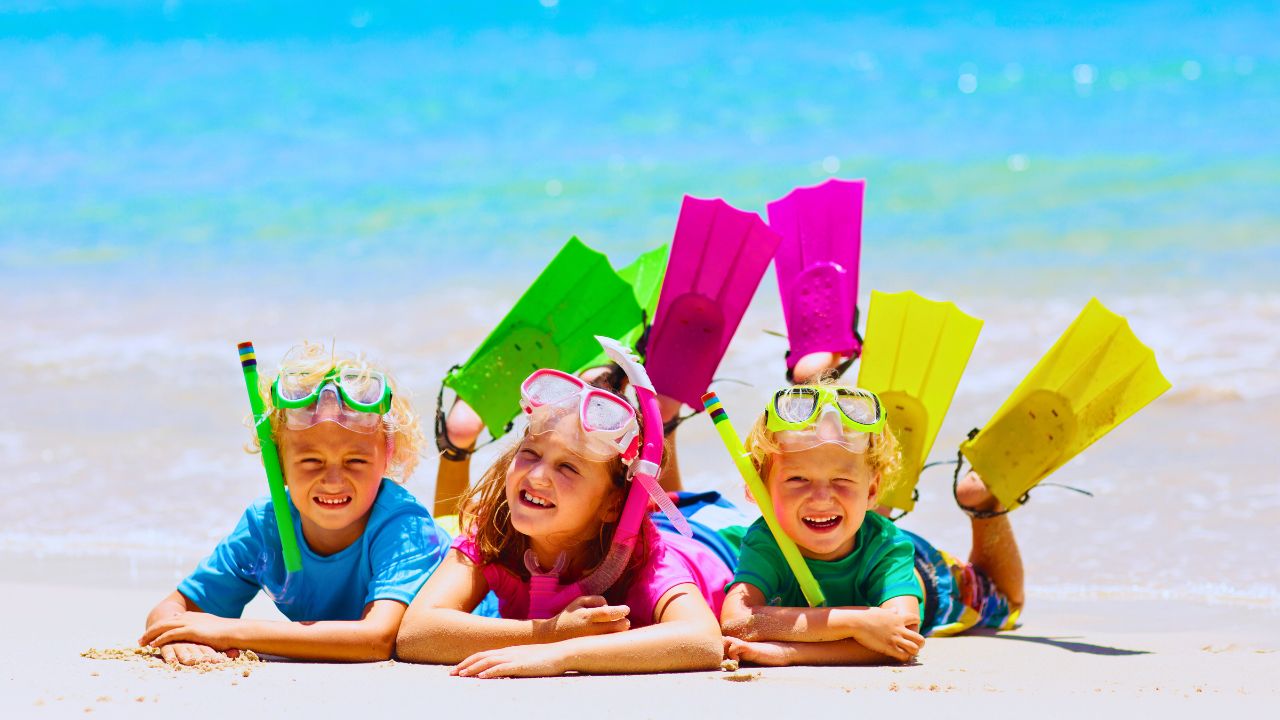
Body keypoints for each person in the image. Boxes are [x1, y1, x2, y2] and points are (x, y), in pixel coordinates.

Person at [397, 362, 729, 677]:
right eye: (530, 453)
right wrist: (547, 633)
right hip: (648, 516)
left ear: (613, 505)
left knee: (672, 501)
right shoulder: (494, 531)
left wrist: (565, 653)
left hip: (711, 538)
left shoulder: (644, 559)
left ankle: (662, 417)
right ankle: (605, 385)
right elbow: (416, 632)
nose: (538, 475)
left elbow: (702, 640)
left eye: (567, 467)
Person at [140, 342, 450, 664]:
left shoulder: (403, 527)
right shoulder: (266, 526)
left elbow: (375, 640)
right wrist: (175, 638)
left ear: (387, 458)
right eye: (311, 461)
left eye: (355, 461)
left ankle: (458, 440)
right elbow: (173, 610)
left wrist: (228, 631)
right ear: (278, 464)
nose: (333, 480)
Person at [720, 380, 1023, 666]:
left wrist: (786, 651)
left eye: (841, 479)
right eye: (798, 479)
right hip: (860, 541)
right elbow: (736, 622)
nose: (821, 497)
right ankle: (861, 496)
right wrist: (859, 621)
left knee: (1008, 603)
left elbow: (899, 640)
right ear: (757, 490)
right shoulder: (765, 541)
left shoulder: (891, 547)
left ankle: (985, 505)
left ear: (873, 491)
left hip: (934, 578)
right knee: (844, 517)